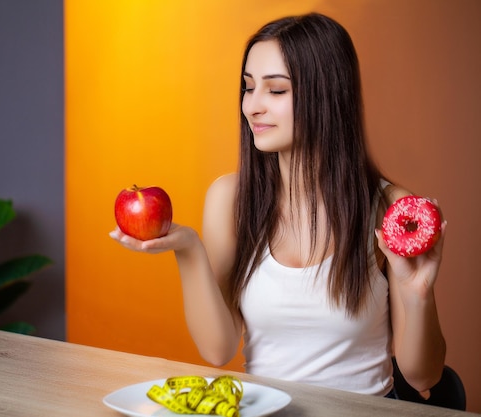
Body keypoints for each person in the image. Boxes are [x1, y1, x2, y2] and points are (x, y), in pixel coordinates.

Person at [110, 12, 446, 397]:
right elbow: (218, 350)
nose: (252, 106)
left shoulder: (390, 208)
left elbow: (424, 378)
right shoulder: (229, 199)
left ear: (327, 95)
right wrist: (188, 248)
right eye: (248, 87)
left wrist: (418, 293)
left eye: (276, 90)